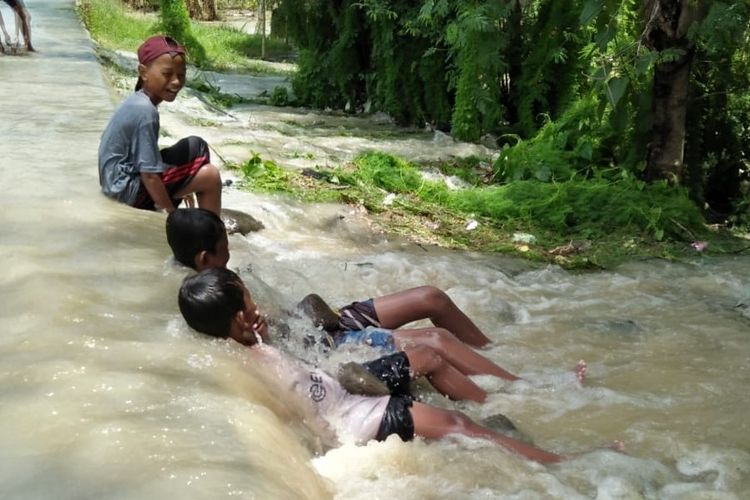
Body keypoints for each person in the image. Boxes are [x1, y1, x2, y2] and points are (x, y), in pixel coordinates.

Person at [166, 208, 588, 403]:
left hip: (326, 321)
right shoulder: (218, 301)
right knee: (434, 339)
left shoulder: (216, 283)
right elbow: (290, 349)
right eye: (225, 249)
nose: (230, 253)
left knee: (432, 298)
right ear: (205, 259)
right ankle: (525, 387)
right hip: (328, 341)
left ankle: (489, 356)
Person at [177, 267, 566, 463]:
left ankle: (498, 405)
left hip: (345, 390)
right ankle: (558, 460)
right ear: (238, 320)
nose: (256, 308)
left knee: (432, 359)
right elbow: (301, 413)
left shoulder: (248, 345)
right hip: (356, 416)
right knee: (456, 425)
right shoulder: (251, 359)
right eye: (248, 305)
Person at [98, 35, 222, 215]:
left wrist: (183, 183)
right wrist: (171, 214)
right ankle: (209, 235)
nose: (176, 82)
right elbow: (149, 175)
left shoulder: (137, 101)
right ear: (143, 72)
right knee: (206, 166)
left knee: (200, 153)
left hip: (116, 184)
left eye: (181, 75)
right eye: (167, 74)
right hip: (127, 192)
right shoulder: (145, 111)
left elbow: (144, 158)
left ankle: (202, 223)